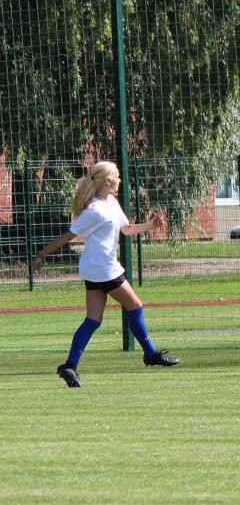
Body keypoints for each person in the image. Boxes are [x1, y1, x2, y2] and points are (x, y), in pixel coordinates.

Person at [32, 160, 180, 388]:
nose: (120, 180)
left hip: (95, 269)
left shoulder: (110, 201)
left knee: (93, 319)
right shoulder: (94, 210)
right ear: (108, 181)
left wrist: (151, 225)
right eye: (117, 177)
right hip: (104, 269)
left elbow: (127, 229)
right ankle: (150, 354)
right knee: (136, 307)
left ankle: (69, 366)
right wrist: (42, 254)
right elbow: (68, 236)